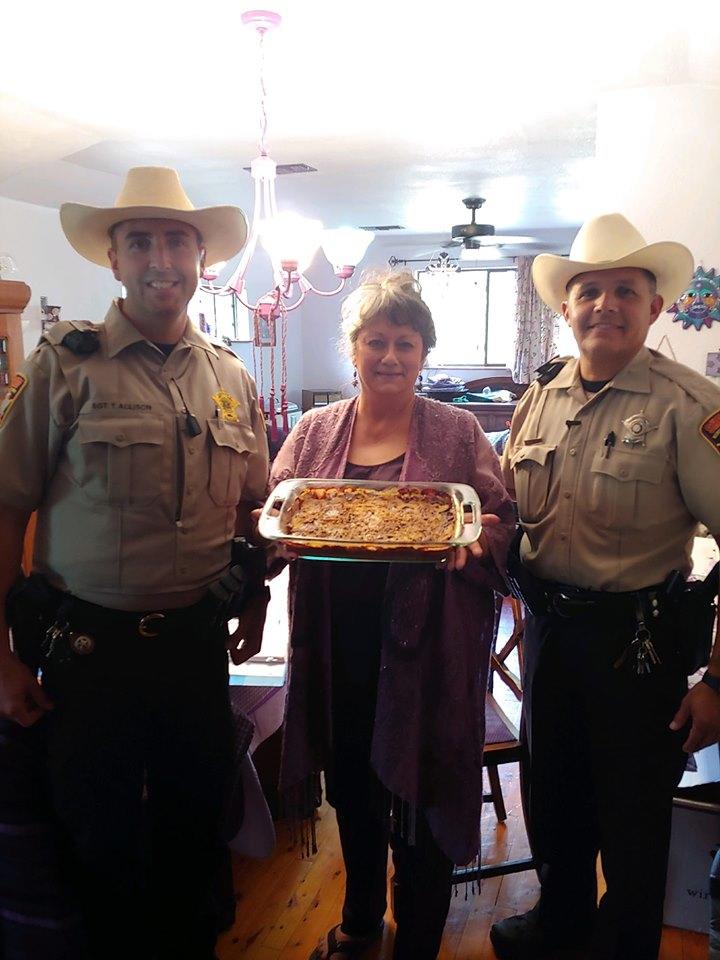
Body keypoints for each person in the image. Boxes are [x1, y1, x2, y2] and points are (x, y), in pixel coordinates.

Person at [0, 166, 270, 960]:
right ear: (112, 260)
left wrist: (252, 604)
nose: (161, 258)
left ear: (200, 258)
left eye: (177, 240)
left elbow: (252, 511)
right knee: (100, 846)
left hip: (194, 649)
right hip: (90, 656)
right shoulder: (65, 367)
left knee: (196, 833)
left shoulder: (230, 377)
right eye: (140, 241)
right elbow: (7, 505)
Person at [267, 271, 516, 960]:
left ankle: (419, 944)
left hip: (427, 652)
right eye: (376, 341)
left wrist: (473, 542)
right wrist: (283, 539)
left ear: (424, 351)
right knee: (351, 787)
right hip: (336, 645)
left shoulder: (460, 433)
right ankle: (360, 919)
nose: (390, 357)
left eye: (405, 343)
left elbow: (500, 519)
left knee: (420, 798)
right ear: (354, 348)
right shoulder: (315, 432)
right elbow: (280, 506)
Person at [493, 213, 720, 960]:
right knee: (553, 795)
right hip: (549, 635)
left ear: (654, 308)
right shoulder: (541, 396)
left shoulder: (688, 407)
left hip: (638, 646)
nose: (606, 305)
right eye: (589, 290)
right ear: (566, 307)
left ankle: (621, 945)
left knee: (631, 818)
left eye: (627, 289)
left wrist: (719, 680)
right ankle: (557, 923)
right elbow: (508, 510)